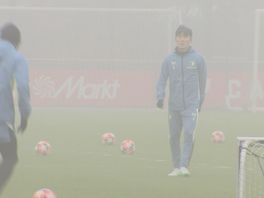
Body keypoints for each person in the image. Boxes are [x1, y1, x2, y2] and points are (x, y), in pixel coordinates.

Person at [156, 25, 207, 176]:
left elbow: (202, 82)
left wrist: (200, 102)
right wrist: (160, 96)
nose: (182, 39)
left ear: (190, 40)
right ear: (176, 39)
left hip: (191, 105)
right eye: (179, 36)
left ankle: (184, 165)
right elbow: (161, 79)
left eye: (185, 36)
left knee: (189, 132)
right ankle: (176, 166)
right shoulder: (169, 59)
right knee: (173, 136)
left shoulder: (198, 59)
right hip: (174, 106)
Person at [0, 22, 31, 194]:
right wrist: (25, 115)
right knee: (10, 157)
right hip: (1, 120)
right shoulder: (17, 58)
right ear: (17, 42)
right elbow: (23, 87)